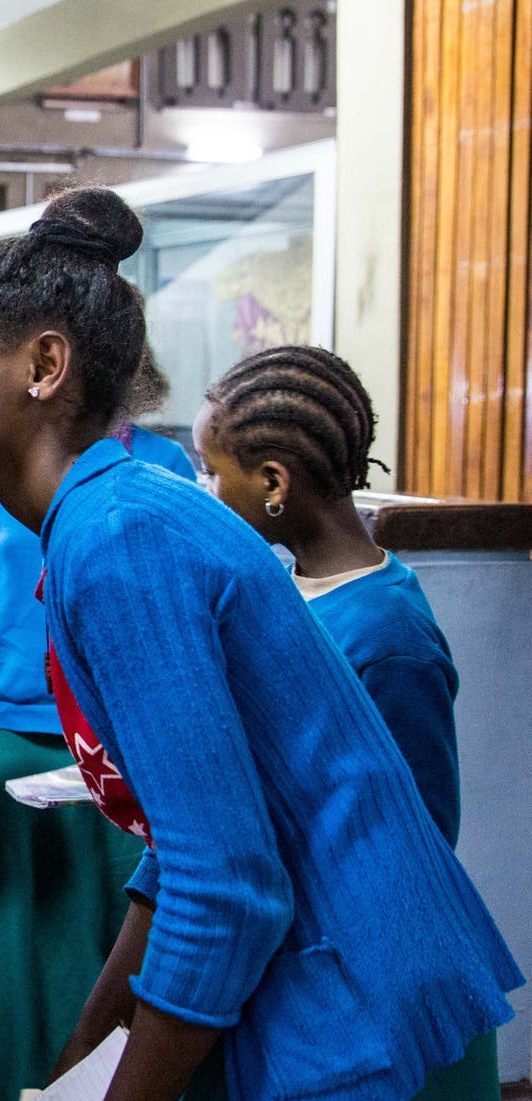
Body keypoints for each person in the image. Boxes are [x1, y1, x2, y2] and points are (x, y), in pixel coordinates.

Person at [0, 186, 520, 1101]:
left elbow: (227, 882)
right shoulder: (108, 518)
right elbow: (191, 841)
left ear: (42, 367)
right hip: (329, 985)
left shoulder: (118, 539)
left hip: (354, 1014)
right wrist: (87, 1048)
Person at [0, 355, 195, 1101]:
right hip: (17, 734)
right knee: (4, 963)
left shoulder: (160, 466)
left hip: (129, 746)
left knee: (122, 954)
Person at [194, 345, 460, 843]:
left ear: (273, 483)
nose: (202, 489)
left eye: (212, 472)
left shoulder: (392, 642)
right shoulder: (281, 587)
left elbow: (422, 839)